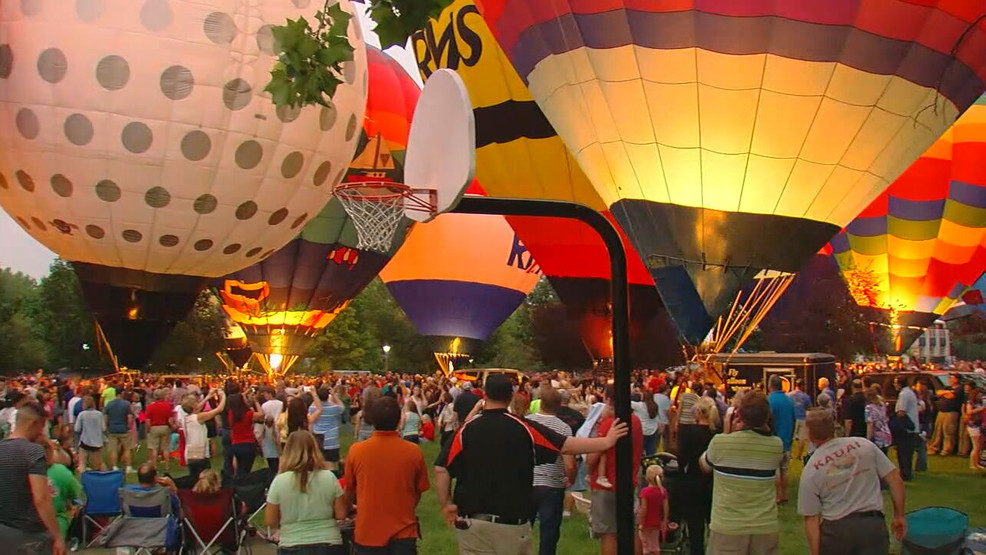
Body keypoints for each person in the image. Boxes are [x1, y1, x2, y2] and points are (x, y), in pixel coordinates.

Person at [434, 375, 628, 555]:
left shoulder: (466, 429)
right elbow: (567, 446)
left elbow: (441, 468)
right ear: (511, 396)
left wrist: (447, 504)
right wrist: (606, 442)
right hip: (511, 524)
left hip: (473, 523)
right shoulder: (523, 428)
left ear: (484, 395)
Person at [798, 409, 907, 555]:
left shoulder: (811, 469)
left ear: (810, 435)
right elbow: (894, 478)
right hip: (872, 526)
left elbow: (811, 518)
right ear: (833, 428)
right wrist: (899, 515)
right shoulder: (863, 445)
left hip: (836, 531)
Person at [700, 391, 783, 554]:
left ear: (739, 416)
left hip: (727, 526)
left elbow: (704, 465)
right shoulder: (776, 446)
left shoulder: (720, 442)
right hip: (764, 526)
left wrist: (727, 432)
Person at [345, 396, 430, 554]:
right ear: (399, 420)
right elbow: (418, 490)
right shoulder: (413, 451)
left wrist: (350, 509)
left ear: (371, 420)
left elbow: (349, 490)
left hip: (368, 532)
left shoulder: (357, 451)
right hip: (403, 531)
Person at [266, 431, 348, 554]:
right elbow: (341, 514)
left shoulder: (280, 481)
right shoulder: (329, 477)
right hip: (328, 541)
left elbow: (270, 520)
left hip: (292, 542)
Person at [0, 403, 66, 555]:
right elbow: (41, 498)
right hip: (29, 533)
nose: (42, 432)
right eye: (41, 427)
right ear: (33, 423)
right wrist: (58, 536)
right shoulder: (33, 451)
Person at [588, 386, 644, 555]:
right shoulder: (635, 421)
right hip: (628, 481)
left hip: (606, 485)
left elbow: (592, 458)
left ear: (609, 400)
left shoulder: (609, 424)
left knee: (609, 533)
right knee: (630, 529)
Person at [526, 386, 575, 555]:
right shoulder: (563, 428)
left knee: (522, 531)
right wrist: (570, 479)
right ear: (559, 404)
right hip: (552, 484)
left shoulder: (526, 423)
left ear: (540, 401)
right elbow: (569, 463)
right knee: (549, 533)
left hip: (527, 481)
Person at [679, 396, 717, 555]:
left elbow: (682, 458)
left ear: (697, 413)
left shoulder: (688, 432)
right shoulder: (716, 434)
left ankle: (697, 550)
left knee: (695, 523)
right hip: (713, 481)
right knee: (712, 520)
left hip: (693, 480)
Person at [181, 389, 226, 482]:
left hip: (190, 453)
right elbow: (219, 409)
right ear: (193, 405)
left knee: (193, 479)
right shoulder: (198, 417)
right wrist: (223, 396)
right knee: (205, 479)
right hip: (200, 454)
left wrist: (208, 396)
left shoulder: (186, 418)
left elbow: (197, 408)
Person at [767, 375, 795, 505]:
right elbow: (794, 420)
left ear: (770, 385)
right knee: (784, 470)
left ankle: (777, 496)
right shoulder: (789, 401)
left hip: (774, 439)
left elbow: (768, 421)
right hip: (787, 440)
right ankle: (785, 494)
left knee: (775, 470)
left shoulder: (769, 401)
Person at [227, 392, 264, 476]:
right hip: (248, 443)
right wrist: (255, 401)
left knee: (240, 466)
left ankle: (238, 479)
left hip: (236, 443)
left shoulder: (231, 414)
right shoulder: (248, 414)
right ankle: (244, 482)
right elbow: (261, 415)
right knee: (246, 468)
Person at [928, 373, 964, 456]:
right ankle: (934, 448)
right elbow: (938, 392)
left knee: (949, 432)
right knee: (938, 431)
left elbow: (951, 396)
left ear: (957, 379)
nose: (950, 380)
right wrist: (946, 392)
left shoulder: (960, 388)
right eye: (950, 378)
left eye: (952, 378)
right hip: (941, 412)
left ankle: (947, 449)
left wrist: (945, 393)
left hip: (951, 413)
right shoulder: (948, 387)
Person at [638, 465, 669, 555]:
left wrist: (641, 522)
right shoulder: (663, 491)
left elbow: (644, 508)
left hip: (646, 523)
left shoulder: (645, 492)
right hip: (656, 522)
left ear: (647, 478)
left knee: (645, 545)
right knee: (655, 545)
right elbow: (666, 507)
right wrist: (665, 520)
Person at [893, 376, 920, 481]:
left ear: (900, 384)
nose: (894, 385)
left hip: (906, 427)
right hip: (911, 426)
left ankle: (905, 473)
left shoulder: (904, 394)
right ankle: (906, 472)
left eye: (896, 383)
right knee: (907, 452)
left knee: (903, 452)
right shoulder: (909, 392)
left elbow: (901, 412)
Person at [103, 388, 135, 473]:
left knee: (113, 449)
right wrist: (129, 427)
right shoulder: (126, 404)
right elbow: (130, 417)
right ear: (121, 393)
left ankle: (114, 466)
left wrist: (106, 427)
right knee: (127, 449)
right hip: (123, 428)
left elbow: (106, 417)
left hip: (112, 429)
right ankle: (128, 466)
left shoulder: (109, 404)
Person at [312, 387, 344, 470]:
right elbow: (342, 407)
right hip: (332, 439)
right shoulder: (334, 408)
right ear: (328, 396)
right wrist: (334, 395)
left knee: (319, 464)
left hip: (318, 438)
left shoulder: (313, 408)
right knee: (330, 464)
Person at [145, 389, 175, 470]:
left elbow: (147, 420)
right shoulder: (167, 406)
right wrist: (172, 427)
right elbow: (170, 419)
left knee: (154, 448)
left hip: (154, 427)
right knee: (165, 448)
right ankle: (167, 466)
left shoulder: (150, 407)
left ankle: (154, 466)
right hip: (165, 427)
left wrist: (148, 429)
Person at [74, 396, 105, 471]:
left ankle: (83, 479)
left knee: (82, 463)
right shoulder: (99, 414)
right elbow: (103, 428)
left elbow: (77, 429)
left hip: (85, 441)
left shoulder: (82, 414)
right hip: (97, 441)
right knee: (99, 464)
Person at [788, 379, 812, 461]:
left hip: (792, 418)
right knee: (802, 438)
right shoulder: (806, 396)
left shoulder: (789, 395)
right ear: (802, 386)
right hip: (802, 418)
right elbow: (809, 408)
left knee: (790, 437)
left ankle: (790, 455)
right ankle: (799, 456)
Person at [633, 391, 661, 457]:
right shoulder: (655, 405)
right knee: (651, 451)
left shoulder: (639, 406)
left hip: (642, 430)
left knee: (639, 451)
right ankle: (650, 464)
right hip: (653, 430)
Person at [864, 387, 892, 454]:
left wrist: (868, 439)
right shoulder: (882, 405)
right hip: (886, 434)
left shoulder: (869, 408)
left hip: (877, 437)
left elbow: (870, 424)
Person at [963, 387, 985, 469]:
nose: (981, 396)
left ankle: (977, 463)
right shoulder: (970, 402)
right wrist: (980, 409)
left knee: (979, 447)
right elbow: (969, 412)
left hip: (979, 424)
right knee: (976, 446)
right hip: (973, 425)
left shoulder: (980, 402)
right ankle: (972, 464)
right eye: (979, 395)